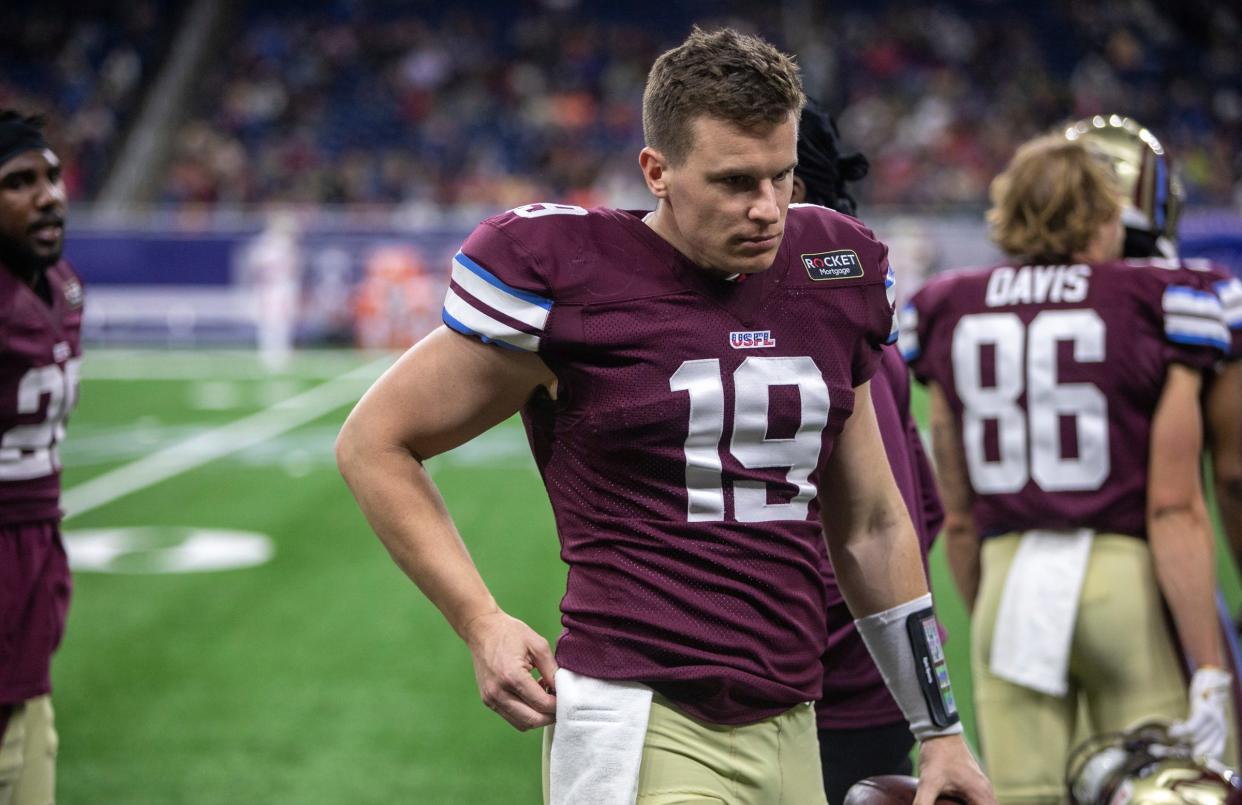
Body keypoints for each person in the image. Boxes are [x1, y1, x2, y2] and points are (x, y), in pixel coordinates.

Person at [337, 27, 992, 805]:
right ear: (657, 171)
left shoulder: (833, 273)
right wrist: (479, 619)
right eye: (734, 181)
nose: (767, 208)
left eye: (782, 177)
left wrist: (940, 729)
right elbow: (375, 440)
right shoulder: (574, 277)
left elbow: (875, 525)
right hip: (638, 715)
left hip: (791, 716)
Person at [900, 133, 1231, 803]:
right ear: (1107, 216)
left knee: (1027, 795)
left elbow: (958, 517)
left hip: (1006, 582)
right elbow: (1175, 505)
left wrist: (988, 612)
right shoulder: (1158, 298)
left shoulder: (947, 304)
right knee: (1164, 789)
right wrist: (1211, 667)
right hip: (1122, 580)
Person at [791, 99, 948, 804]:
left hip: (824, 690)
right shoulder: (861, 322)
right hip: (871, 681)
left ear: (787, 186)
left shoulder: (815, 326)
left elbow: (884, 522)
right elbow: (927, 507)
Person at [1065, 115, 1242, 623]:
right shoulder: (1196, 293)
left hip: (1023, 578)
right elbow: (1233, 474)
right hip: (1156, 566)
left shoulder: (983, 299)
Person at [0, 110, 82, 805]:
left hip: (28, 594)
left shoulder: (61, 290)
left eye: (51, 176)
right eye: (19, 182)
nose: (48, 194)